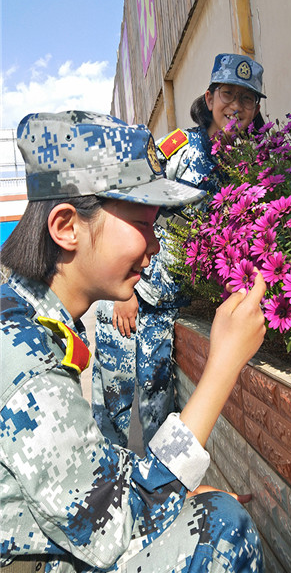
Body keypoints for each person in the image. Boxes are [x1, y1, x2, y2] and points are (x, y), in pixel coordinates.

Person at [0, 110, 267, 572]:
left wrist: (171, 490)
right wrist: (223, 366)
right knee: (222, 527)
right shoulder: (25, 358)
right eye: (143, 224)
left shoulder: (25, 311)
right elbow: (112, 526)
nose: (156, 245)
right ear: (67, 227)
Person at [92, 53, 267, 447]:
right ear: (209, 98)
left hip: (169, 304)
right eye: (227, 94)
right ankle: (104, 482)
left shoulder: (247, 164)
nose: (236, 106)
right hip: (130, 294)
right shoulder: (180, 147)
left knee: (158, 408)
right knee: (113, 404)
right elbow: (124, 201)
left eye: (247, 98)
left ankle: (159, 483)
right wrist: (122, 290)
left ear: (256, 109)